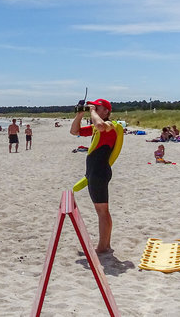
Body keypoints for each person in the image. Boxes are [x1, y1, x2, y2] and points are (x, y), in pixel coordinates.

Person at [70, 98, 117, 253]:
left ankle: (103, 246)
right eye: (94, 108)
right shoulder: (96, 128)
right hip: (94, 172)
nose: (94, 110)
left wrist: (91, 112)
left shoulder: (110, 126)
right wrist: (79, 115)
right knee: (101, 210)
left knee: (102, 211)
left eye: (98, 108)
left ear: (106, 111)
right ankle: (106, 245)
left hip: (99, 172)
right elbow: (74, 131)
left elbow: (100, 125)